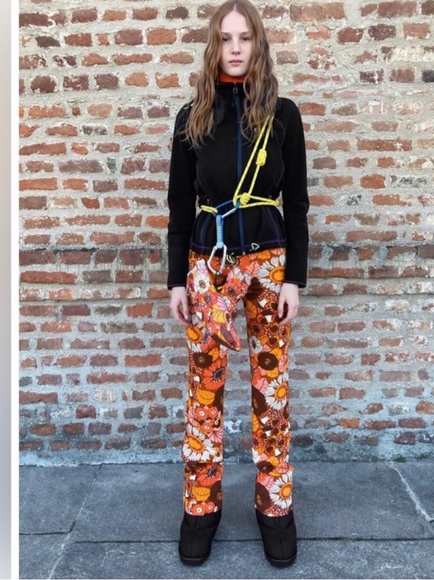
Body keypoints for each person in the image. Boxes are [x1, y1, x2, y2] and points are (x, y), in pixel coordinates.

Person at [167, 0, 309, 568]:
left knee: (271, 396)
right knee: (204, 395)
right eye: (225, 38)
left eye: (244, 37)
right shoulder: (192, 118)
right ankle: (201, 509)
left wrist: (295, 277)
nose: (234, 48)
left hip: (269, 266)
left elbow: (297, 202)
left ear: (258, 45)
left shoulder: (283, 114)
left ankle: (276, 510)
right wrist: (176, 281)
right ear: (213, 45)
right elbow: (180, 206)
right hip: (209, 268)